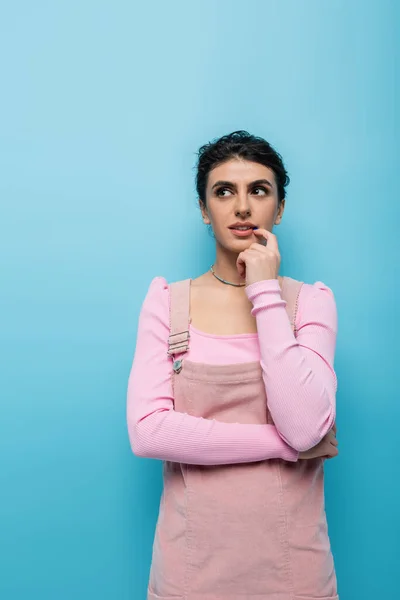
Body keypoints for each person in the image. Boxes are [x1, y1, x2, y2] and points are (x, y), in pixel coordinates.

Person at [127, 130, 339, 600]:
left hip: (295, 573)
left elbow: (305, 427)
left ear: (279, 208)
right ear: (204, 209)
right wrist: (278, 445)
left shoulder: (310, 303)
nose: (242, 207)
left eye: (258, 190)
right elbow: (148, 432)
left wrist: (264, 290)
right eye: (224, 191)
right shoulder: (167, 303)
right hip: (190, 575)